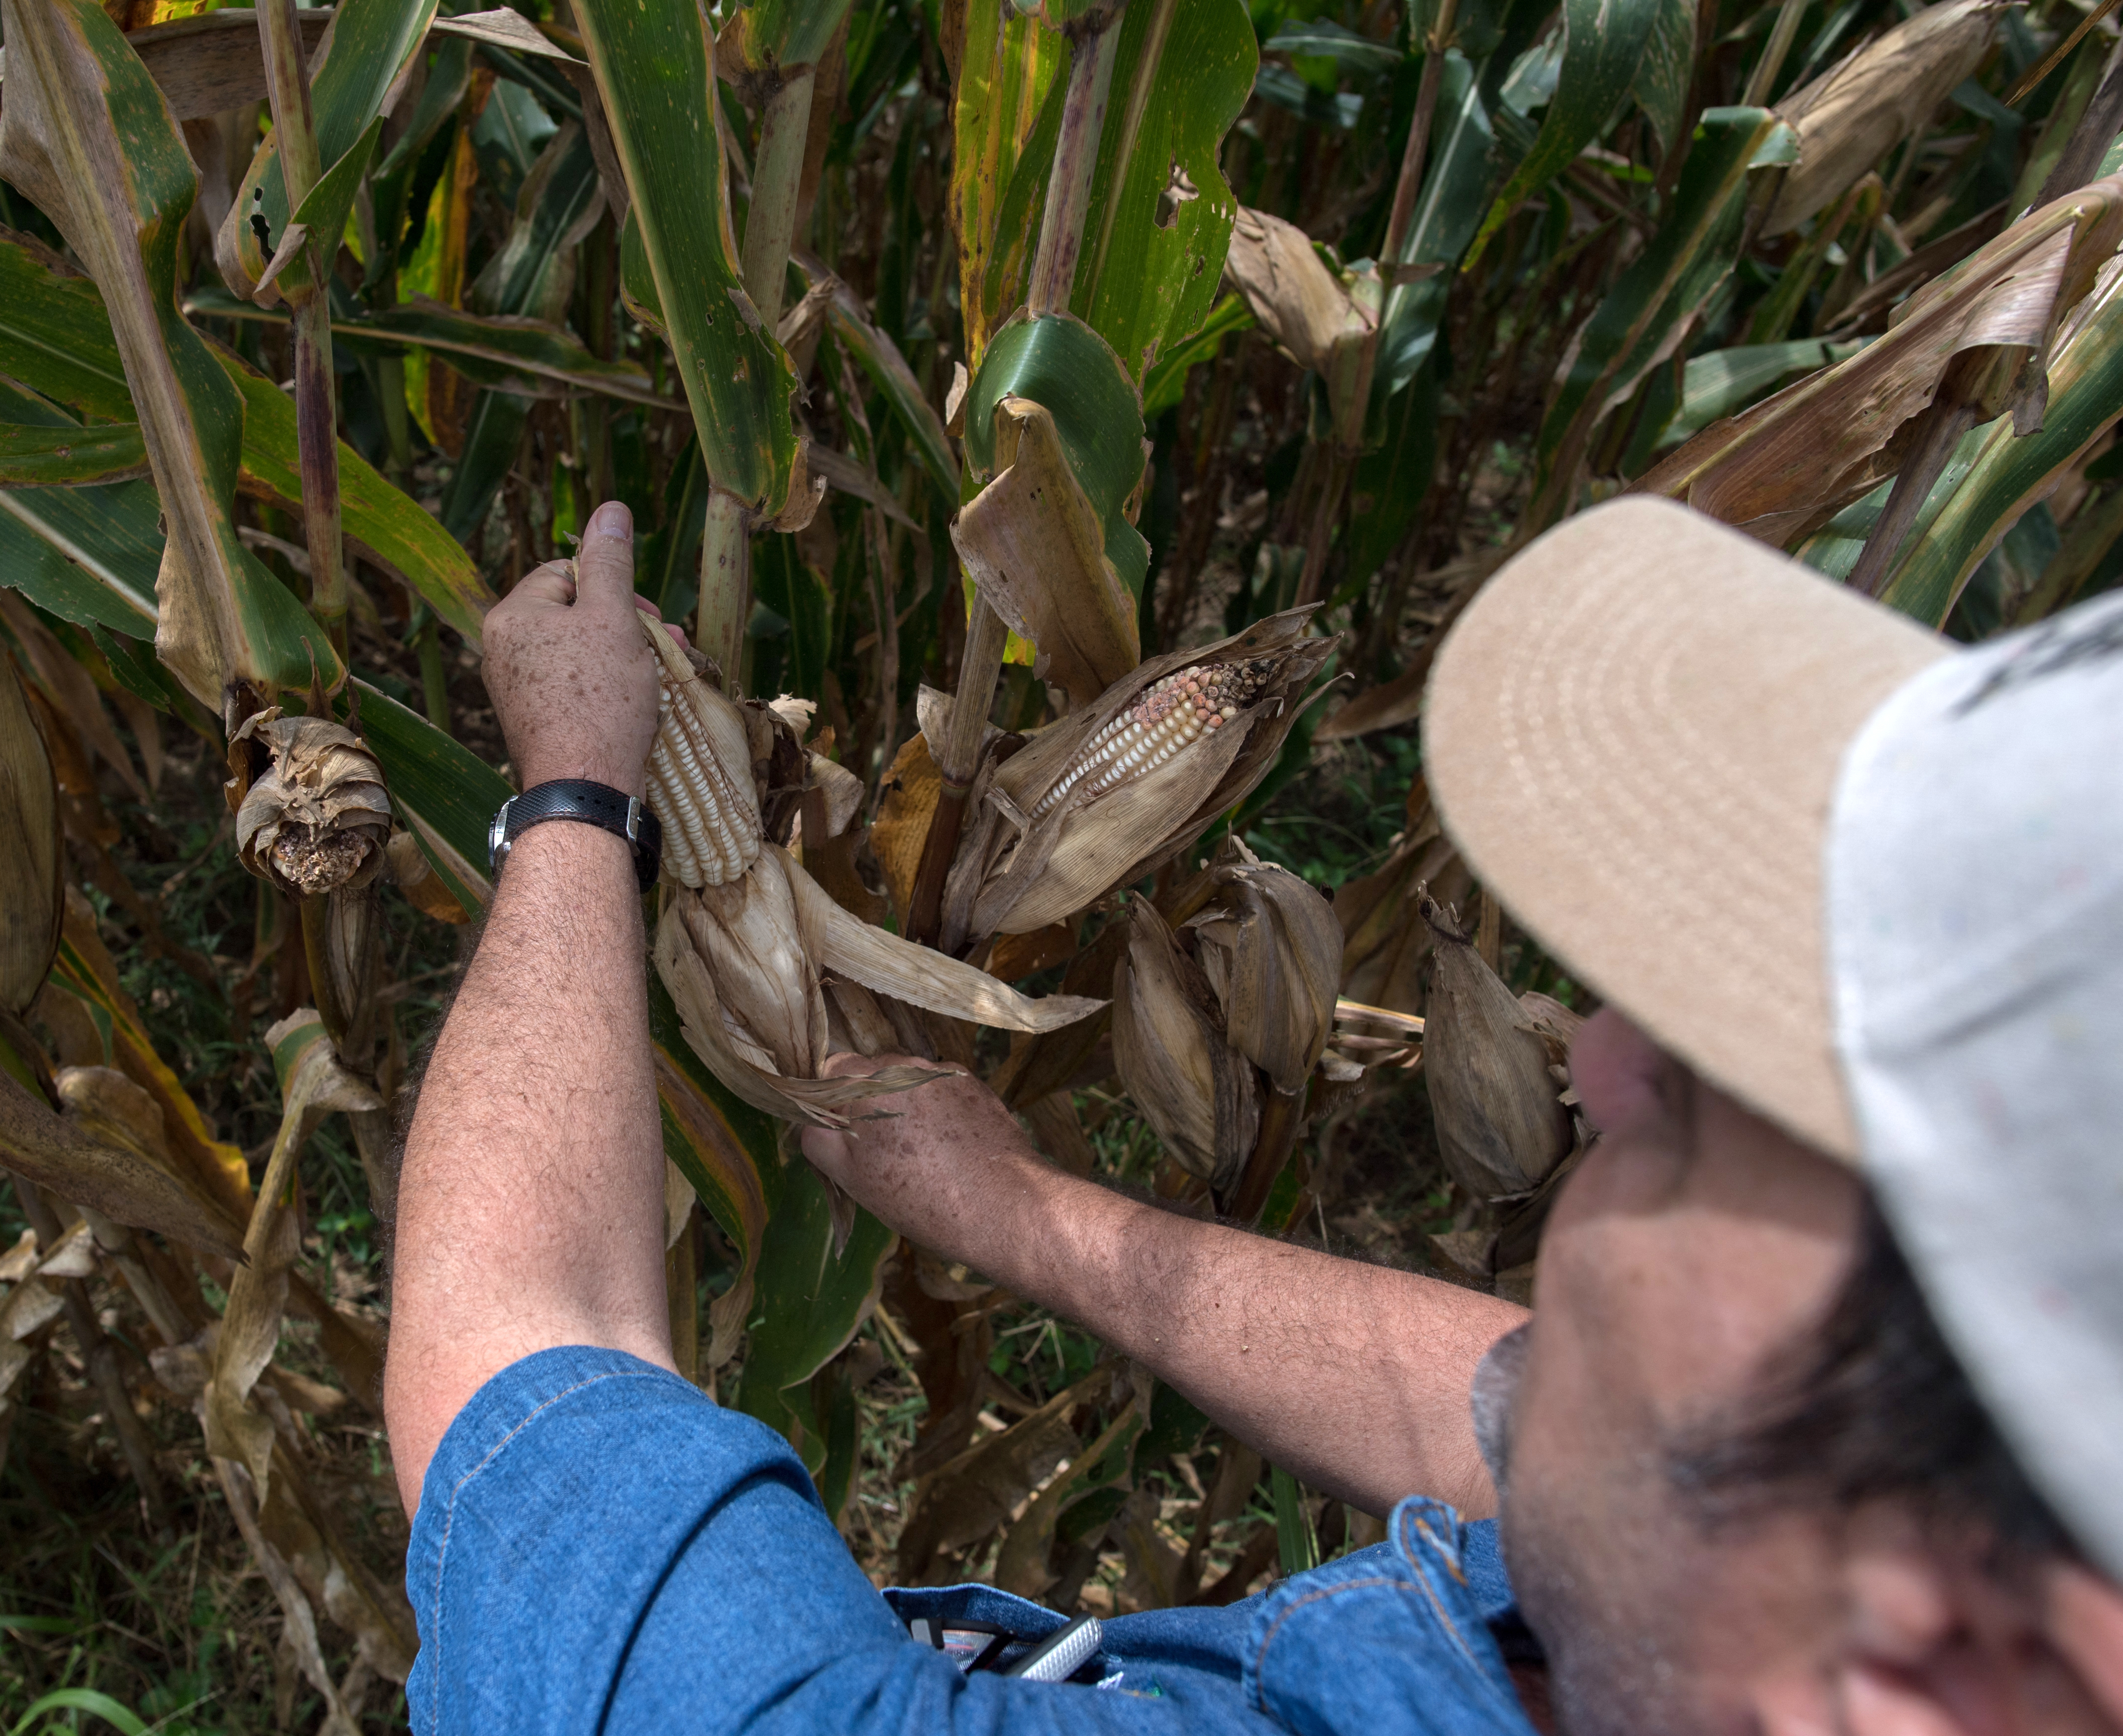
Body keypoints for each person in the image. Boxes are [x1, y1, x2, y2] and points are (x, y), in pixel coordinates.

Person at [381, 492, 2123, 1734]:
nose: (1595, 1057)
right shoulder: (1784, 1581)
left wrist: (575, 791)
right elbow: (1542, 1420)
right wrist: (1025, 1216)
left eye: (1708, 1108)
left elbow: (534, 1359)